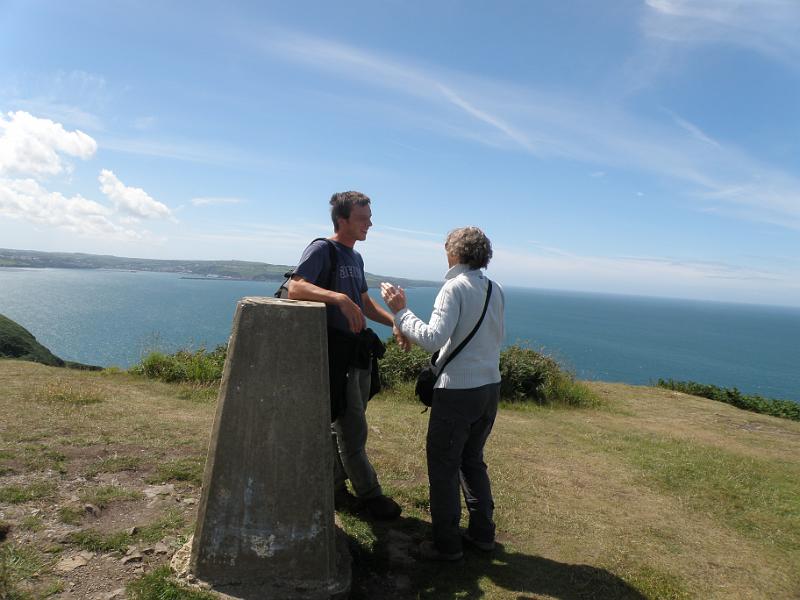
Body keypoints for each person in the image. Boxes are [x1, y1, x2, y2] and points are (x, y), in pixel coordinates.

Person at [380, 226, 505, 560]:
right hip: (489, 388)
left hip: (458, 393)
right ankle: (482, 535)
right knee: (472, 461)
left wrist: (400, 310)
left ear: (455, 253)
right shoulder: (495, 289)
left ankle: (446, 545)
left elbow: (433, 339)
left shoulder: (454, 287)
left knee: (444, 467)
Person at [287, 190, 408, 520]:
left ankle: (335, 487)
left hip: (356, 354)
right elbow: (295, 288)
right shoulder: (322, 249)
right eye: (362, 218)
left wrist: (397, 322)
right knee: (352, 427)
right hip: (336, 354)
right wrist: (338, 298)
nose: (370, 223)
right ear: (343, 220)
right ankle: (370, 495)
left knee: (344, 423)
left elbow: (365, 304)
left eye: (369, 216)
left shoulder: (355, 257)